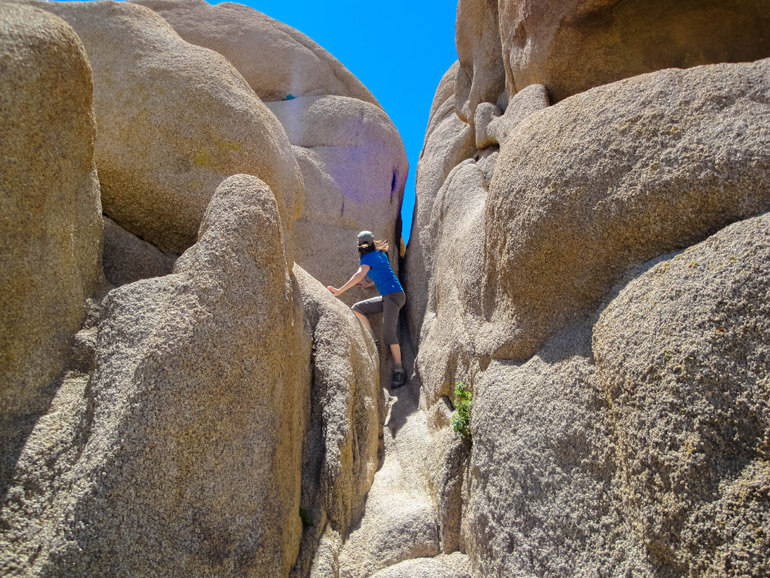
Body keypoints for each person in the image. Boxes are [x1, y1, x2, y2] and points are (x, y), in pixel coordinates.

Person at [327, 231, 407, 388]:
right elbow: (385, 273)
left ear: (360, 246)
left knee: (389, 335)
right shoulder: (379, 253)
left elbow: (358, 275)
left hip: (393, 296)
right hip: (390, 296)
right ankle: (373, 341)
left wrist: (339, 291)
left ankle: (399, 370)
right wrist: (369, 285)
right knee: (357, 308)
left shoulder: (367, 258)